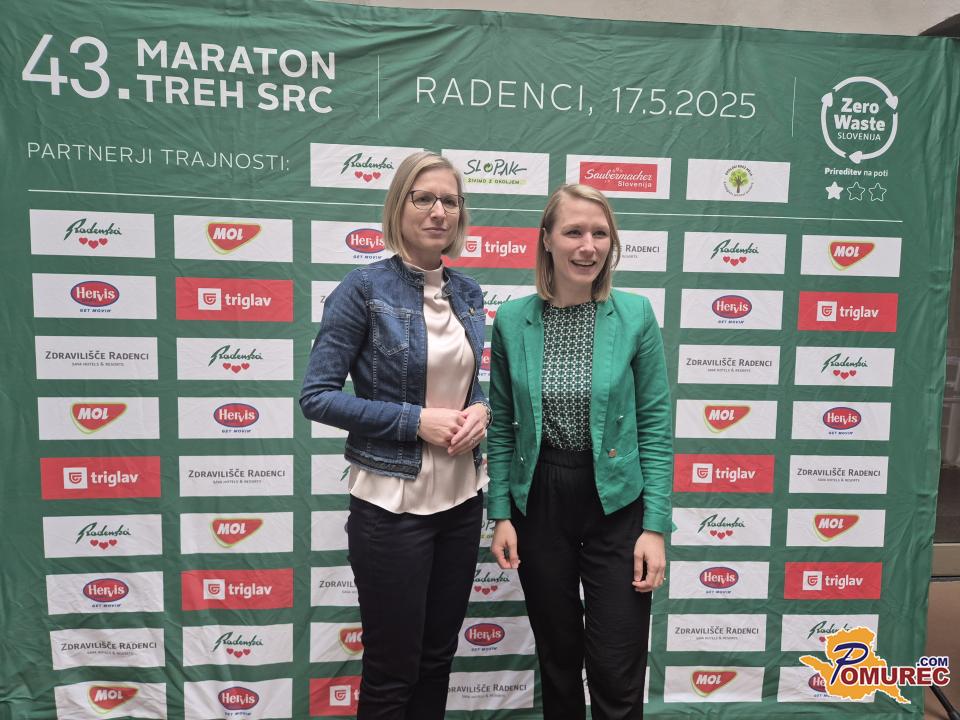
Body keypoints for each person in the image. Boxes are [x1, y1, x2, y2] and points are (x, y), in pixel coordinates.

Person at [300, 151, 490, 720]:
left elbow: (465, 382)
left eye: (449, 201)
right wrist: (415, 421)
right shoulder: (362, 288)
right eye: (423, 198)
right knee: (392, 672)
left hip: (462, 502)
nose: (438, 211)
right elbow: (317, 396)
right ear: (398, 206)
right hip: (391, 508)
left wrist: (480, 411)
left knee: (436, 661)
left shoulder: (468, 292)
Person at [487, 183, 672, 720]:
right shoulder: (512, 319)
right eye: (573, 232)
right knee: (558, 658)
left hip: (617, 501)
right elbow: (502, 427)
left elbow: (655, 426)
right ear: (546, 239)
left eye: (599, 233)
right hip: (540, 499)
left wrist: (655, 527)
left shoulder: (635, 314)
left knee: (617, 663)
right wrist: (501, 513)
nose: (588, 246)